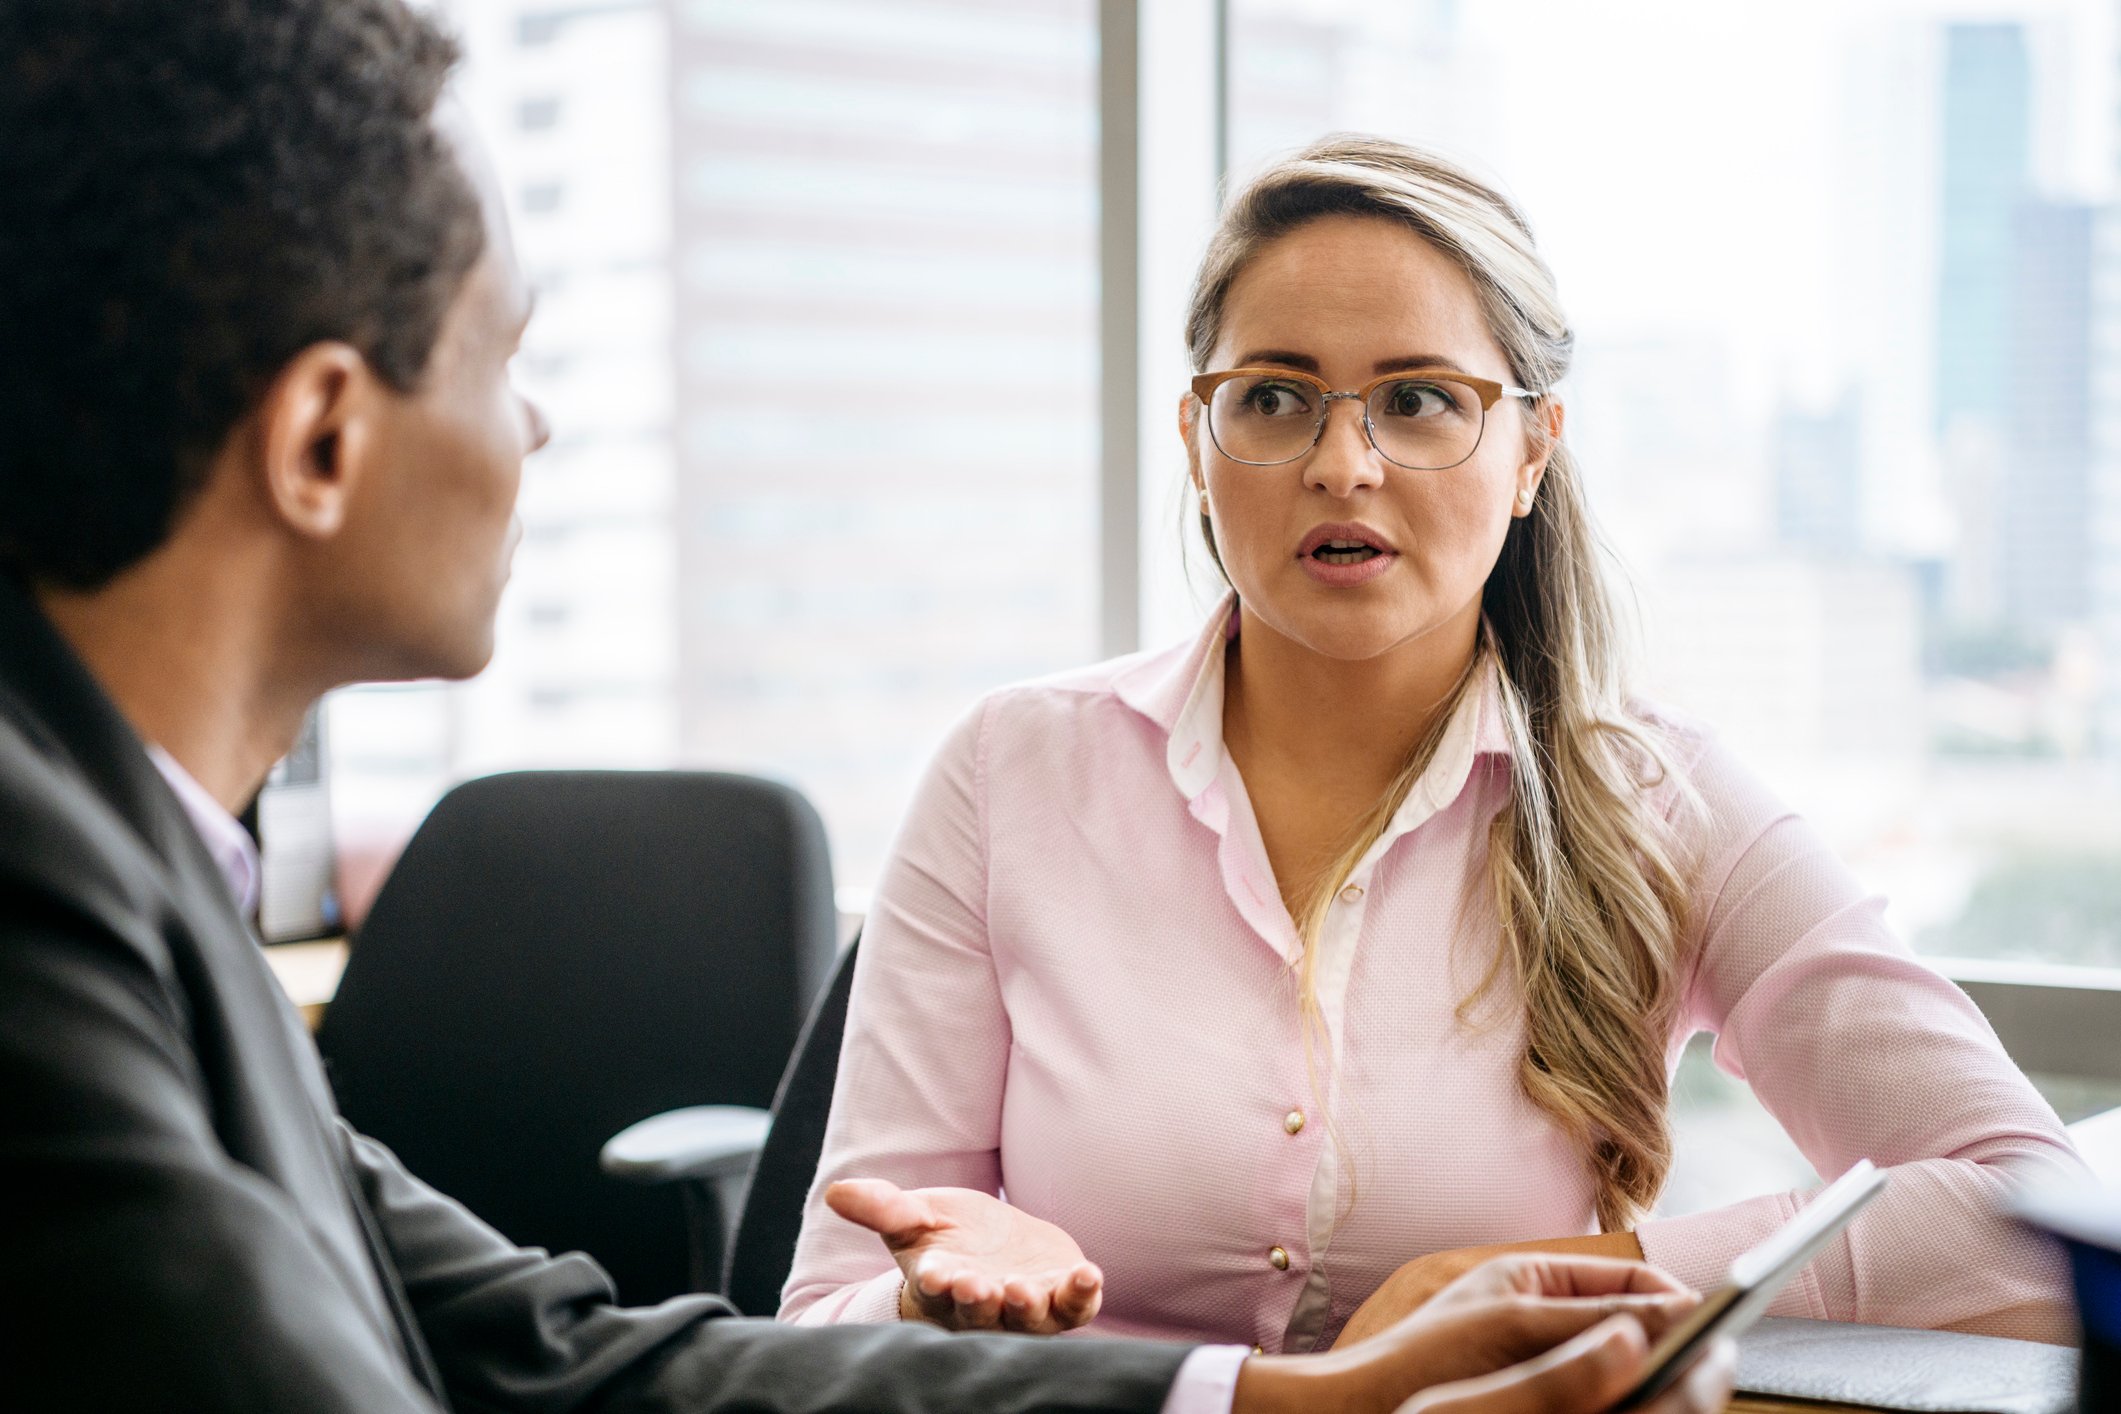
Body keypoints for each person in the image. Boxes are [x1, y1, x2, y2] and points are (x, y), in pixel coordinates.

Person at [0, 3, 1735, 1411]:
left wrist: (1290, 1404)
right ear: (323, 441)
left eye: (1420, 403)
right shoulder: (36, 908)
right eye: (506, 360)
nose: (534, 434)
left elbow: (556, 1353)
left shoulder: (130, 864)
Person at [781, 135, 2091, 1354]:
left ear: (1531, 450)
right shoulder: (1011, 770)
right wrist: (928, 1294)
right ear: (1196, 437)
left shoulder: (1662, 798)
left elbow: (2018, 1213)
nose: (1342, 462)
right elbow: (816, 1319)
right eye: (1275, 398)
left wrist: (1532, 1282)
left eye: (1416, 401)